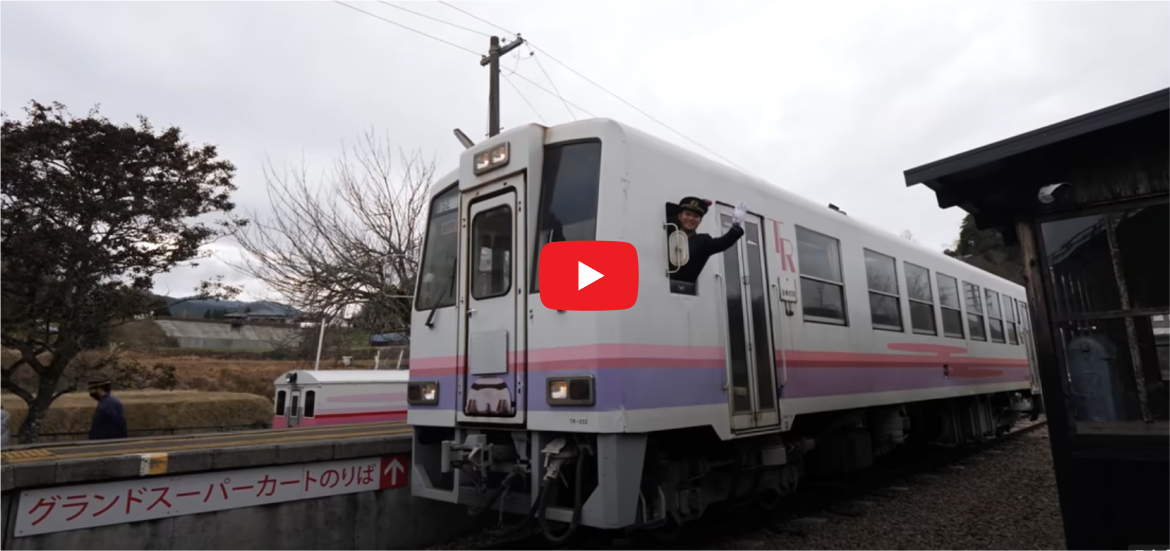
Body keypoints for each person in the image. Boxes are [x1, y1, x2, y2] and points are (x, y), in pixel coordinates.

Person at [670, 196, 749, 285]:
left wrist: (736, 227)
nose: (691, 219)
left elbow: (722, 243)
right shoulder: (667, 236)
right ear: (680, 216)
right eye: (687, 214)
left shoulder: (702, 242)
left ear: (700, 221)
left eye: (696, 216)